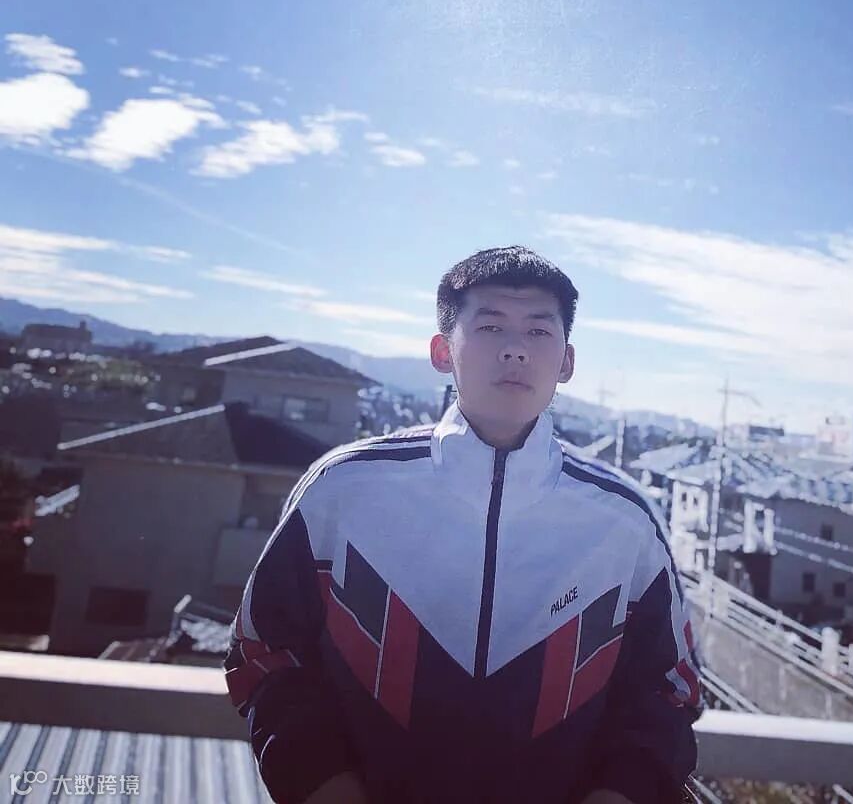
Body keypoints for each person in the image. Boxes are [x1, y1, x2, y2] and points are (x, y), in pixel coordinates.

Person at [224, 246, 702, 804]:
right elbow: (265, 653)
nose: (515, 349)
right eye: (490, 326)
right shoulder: (342, 489)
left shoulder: (624, 519)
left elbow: (668, 692)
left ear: (567, 362)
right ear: (442, 351)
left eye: (539, 332)